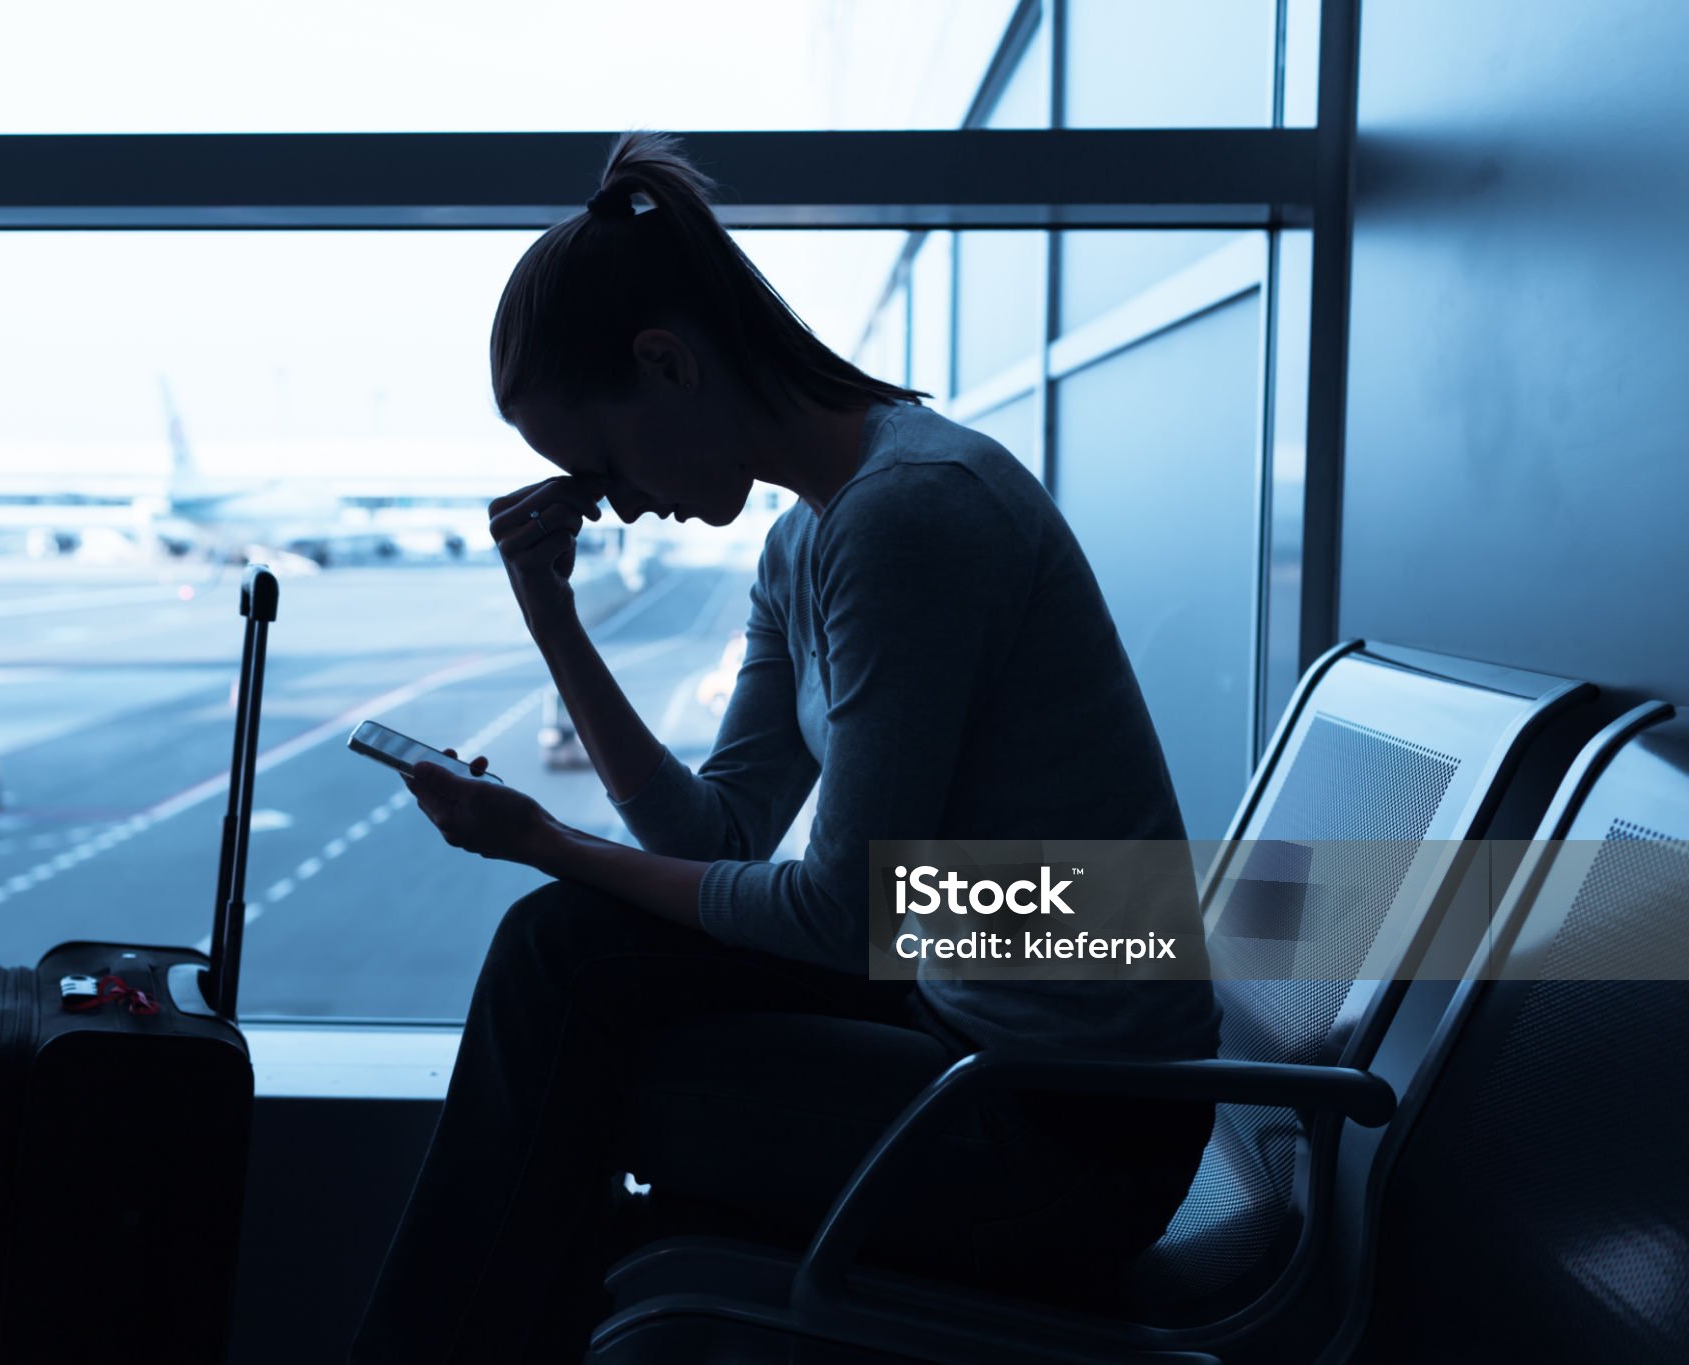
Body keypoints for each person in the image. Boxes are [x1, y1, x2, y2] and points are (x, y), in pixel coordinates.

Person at [348, 129, 1221, 1364]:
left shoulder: (910, 517)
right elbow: (719, 834)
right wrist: (552, 614)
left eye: (596, 463)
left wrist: (543, 841)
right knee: (566, 962)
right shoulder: (803, 542)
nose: (611, 501)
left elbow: (832, 918)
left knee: (570, 1004)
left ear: (666, 363)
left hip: (1068, 1140)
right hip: (967, 1022)